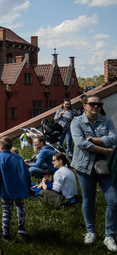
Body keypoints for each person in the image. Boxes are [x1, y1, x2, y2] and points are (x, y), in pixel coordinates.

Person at [70, 95, 117, 251]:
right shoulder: (76, 122)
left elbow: (114, 138)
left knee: (113, 200)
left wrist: (93, 139)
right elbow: (81, 143)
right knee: (89, 200)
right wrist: (106, 149)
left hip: (105, 167)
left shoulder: (106, 121)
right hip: (84, 167)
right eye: (92, 104)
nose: (96, 106)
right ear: (84, 106)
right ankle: (91, 232)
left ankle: (109, 236)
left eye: (98, 104)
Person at [0, 136, 31, 240]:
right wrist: (28, 186)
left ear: (0, 147)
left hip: (5, 190)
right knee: (20, 207)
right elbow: (27, 174)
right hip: (19, 188)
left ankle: (6, 234)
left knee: (6, 211)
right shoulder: (19, 158)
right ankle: (21, 226)